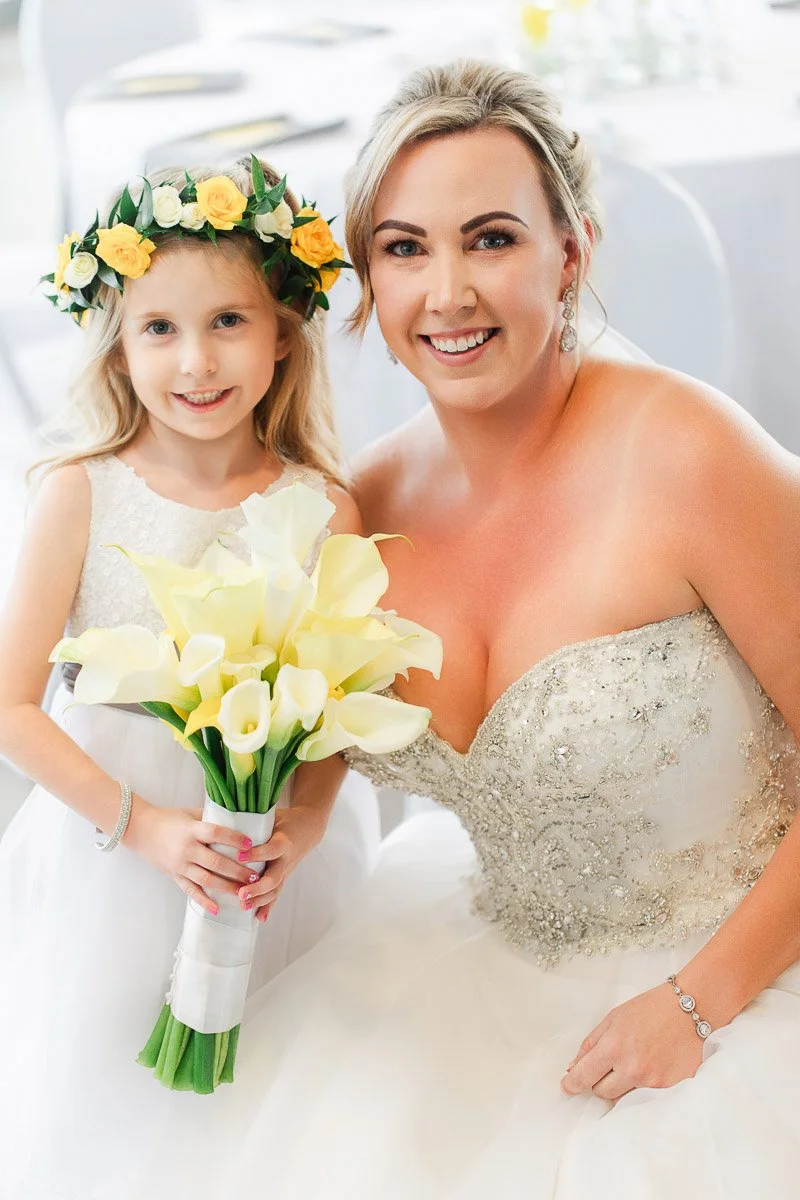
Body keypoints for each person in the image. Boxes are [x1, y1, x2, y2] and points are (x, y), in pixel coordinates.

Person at [177, 59, 796, 1198]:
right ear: (367, 281)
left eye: (492, 239)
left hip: (746, 973)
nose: (448, 292)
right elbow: (327, 740)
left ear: (572, 253)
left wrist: (696, 1005)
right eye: (405, 249)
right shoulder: (357, 512)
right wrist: (281, 830)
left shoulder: (691, 456)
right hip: (482, 974)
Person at [0, 155, 379, 1199]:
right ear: (118, 347)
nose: (196, 360)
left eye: (228, 322)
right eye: (159, 328)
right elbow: (11, 707)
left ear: (282, 334)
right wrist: (145, 827)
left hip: (267, 853)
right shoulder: (80, 493)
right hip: (116, 848)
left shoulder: (324, 506)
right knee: (114, 1095)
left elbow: (343, 702)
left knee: (275, 1094)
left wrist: (307, 820)